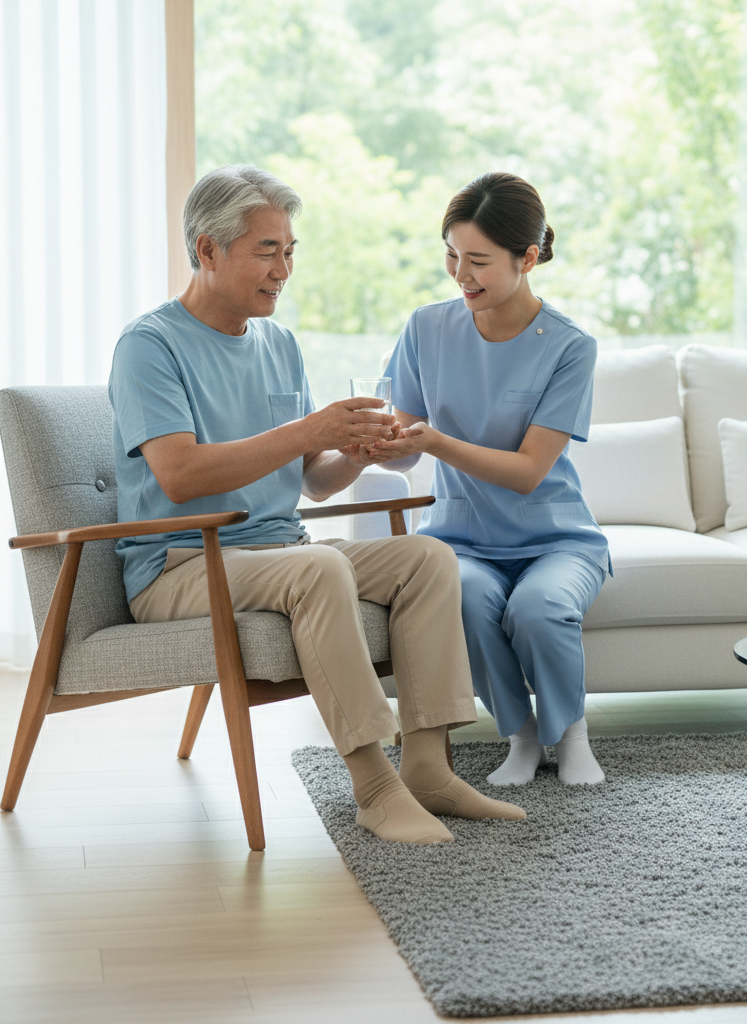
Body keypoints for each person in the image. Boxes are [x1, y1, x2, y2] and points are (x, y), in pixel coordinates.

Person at [108, 165, 525, 844]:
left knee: (426, 558)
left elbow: (313, 480)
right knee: (319, 569)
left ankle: (428, 768)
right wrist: (309, 429)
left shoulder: (279, 344)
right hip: (182, 566)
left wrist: (355, 452)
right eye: (266, 250)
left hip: (277, 554)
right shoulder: (150, 346)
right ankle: (374, 786)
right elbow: (179, 475)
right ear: (207, 250)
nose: (283, 269)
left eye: (290, 250)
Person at [372, 172, 610, 786]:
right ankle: (522, 736)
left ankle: (570, 733)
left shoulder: (568, 347)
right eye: (452, 255)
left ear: (528, 257)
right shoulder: (426, 329)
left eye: (478, 260)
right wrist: (379, 445)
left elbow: (530, 472)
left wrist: (437, 442)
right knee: (466, 598)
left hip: (556, 537)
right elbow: (403, 449)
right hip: (461, 539)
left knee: (539, 607)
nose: (461, 274)